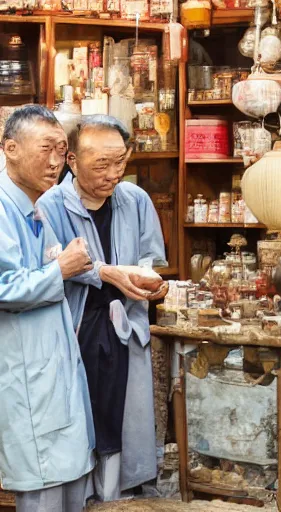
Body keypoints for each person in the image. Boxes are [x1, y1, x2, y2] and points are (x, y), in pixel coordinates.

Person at [37, 115, 168, 502]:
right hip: (76, 327)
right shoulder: (50, 205)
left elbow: (150, 257)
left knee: (122, 417)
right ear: (72, 161)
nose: (113, 174)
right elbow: (51, 263)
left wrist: (149, 281)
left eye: (120, 164)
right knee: (83, 416)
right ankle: (80, 499)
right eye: (102, 166)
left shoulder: (136, 199)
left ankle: (115, 498)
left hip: (125, 323)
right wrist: (106, 273)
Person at [0, 104, 95, 511]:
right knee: (42, 495)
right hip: (28, 377)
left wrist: (107, 272)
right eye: (46, 149)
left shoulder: (33, 204)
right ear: (10, 148)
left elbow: (64, 259)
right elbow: (6, 287)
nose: (56, 161)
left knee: (68, 487)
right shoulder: (3, 208)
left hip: (51, 370)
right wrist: (61, 268)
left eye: (62, 149)